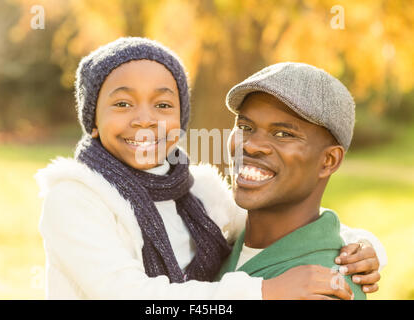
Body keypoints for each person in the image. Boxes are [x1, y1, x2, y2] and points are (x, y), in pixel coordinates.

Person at [35, 38, 385, 299]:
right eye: (123, 103)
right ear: (92, 120)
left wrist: (364, 249)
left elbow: (284, 223)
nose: (144, 120)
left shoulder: (200, 193)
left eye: (162, 104)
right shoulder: (75, 198)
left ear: (180, 119)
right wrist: (262, 292)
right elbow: (131, 295)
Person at [216, 62, 384, 299]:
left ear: (328, 160)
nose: (251, 145)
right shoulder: (215, 239)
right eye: (245, 126)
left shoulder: (324, 287)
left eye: (283, 134)